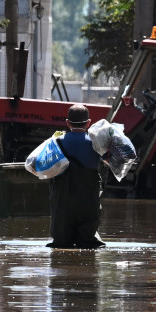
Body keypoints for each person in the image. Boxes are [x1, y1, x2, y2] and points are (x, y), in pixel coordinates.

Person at [47, 104, 106, 249]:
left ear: (67, 122)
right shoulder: (96, 143)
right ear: (89, 123)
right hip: (88, 200)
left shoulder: (56, 142)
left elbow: (44, 167)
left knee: (60, 245)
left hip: (63, 201)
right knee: (88, 245)